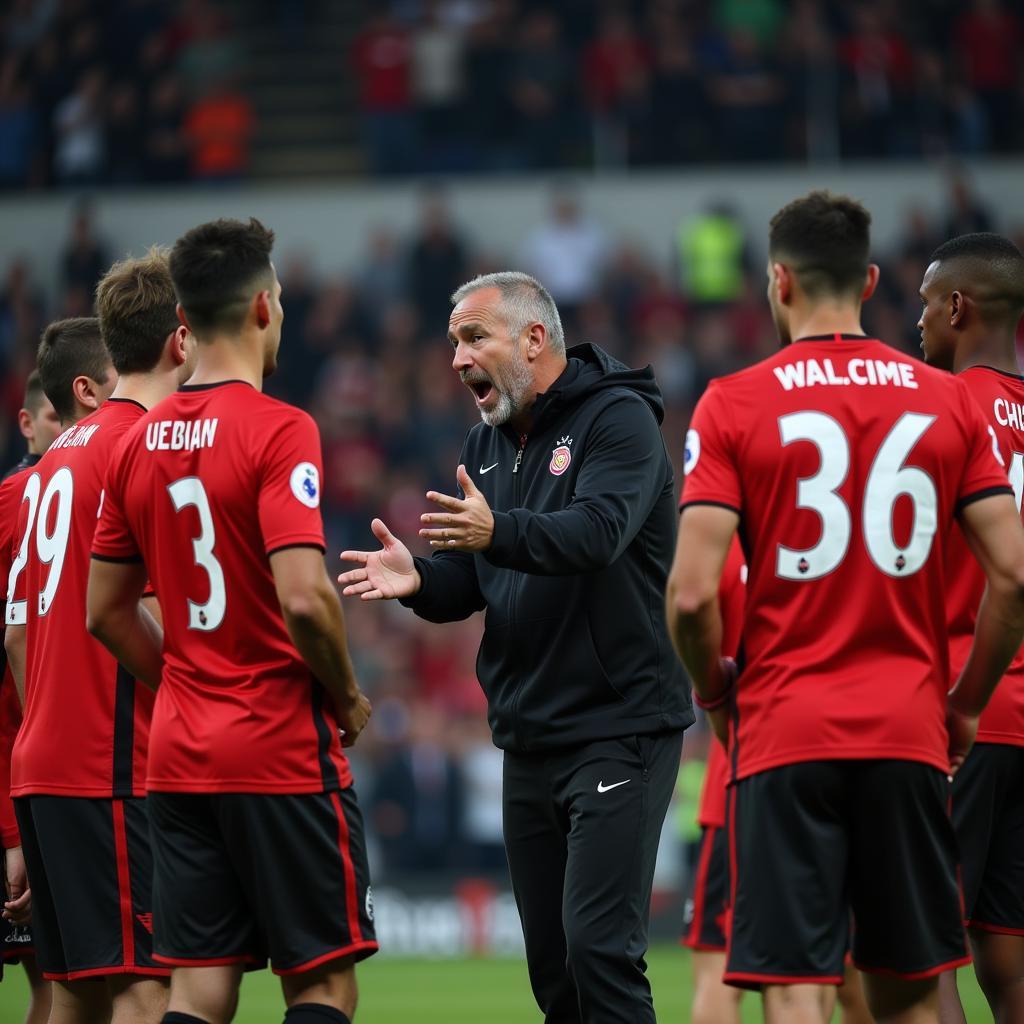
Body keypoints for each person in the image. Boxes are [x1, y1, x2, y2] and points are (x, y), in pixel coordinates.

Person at [665, 191, 1024, 1024]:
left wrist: (718, 697)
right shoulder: (943, 400)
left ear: (778, 282)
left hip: (785, 732)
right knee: (911, 993)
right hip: (909, 732)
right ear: (868, 280)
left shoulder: (734, 401)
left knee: (799, 984)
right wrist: (964, 707)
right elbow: (1013, 576)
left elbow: (689, 594)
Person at [339, 270, 691, 1024]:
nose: (458, 359)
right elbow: (472, 578)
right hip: (529, 736)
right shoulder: (486, 441)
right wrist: (419, 582)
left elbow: (597, 533)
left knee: (599, 949)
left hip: (616, 725)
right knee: (555, 974)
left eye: (474, 337)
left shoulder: (619, 419)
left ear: (535, 339)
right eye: (453, 343)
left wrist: (496, 533)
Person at [87, 217, 376, 1024]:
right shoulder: (282, 430)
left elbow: (105, 612)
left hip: (178, 757)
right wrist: (347, 696)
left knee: (202, 986)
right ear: (261, 309)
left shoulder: (135, 445)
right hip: (279, 749)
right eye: (278, 299)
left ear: (183, 326)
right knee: (320, 983)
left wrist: (181, 678)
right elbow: (307, 596)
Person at [5, 250, 196, 1024]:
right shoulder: (141, 445)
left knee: (74, 997)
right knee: (145, 989)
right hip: (111, 764)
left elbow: (17, 636)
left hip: (43, 762)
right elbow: (137, 614)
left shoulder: (51, 462)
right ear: (180, 339)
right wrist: (201, 690)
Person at [917, 232, 1024, 1024]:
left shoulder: (942, 406)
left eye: (925, 304)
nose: (918, 321)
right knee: (1010, 959)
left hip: (962, 705)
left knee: (923, 954)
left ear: (958, 307)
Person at [0, 371, 59, 1024]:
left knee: (59, 980)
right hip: (25, 781)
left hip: (39, 777)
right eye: (53, 420)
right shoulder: (18, 499)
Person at [684, 539, 746, 1024]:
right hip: (863, 768)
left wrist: (713, 699)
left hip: (743, 775)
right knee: (847, 972)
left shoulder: (728, 542)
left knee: (717, 966)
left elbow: (690, 602)